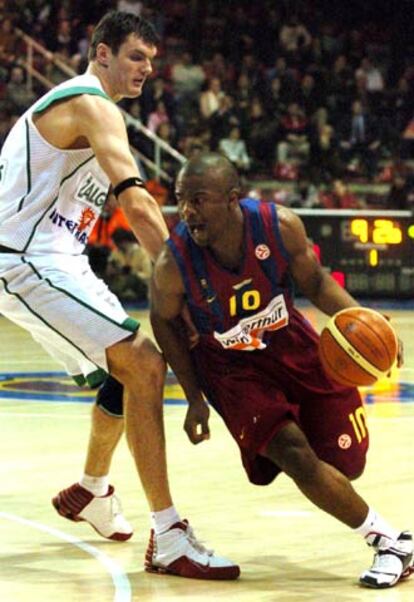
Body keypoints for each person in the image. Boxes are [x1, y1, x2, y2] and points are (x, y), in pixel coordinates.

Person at [0, 12, 239, 580]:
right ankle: (171, 534)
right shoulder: (91, 104)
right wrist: (188, 284)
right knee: (146, 365)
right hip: (27, 260)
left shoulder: (79, 108)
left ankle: (94, 490)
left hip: (56, 260)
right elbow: (136, 203)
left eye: (152, 61)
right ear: (101, 53)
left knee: (120, 376)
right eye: (136, 56)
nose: (147, 69)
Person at [149, 152, 413, 589]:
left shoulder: (278, 226)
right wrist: (195, 397)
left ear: (232, 200)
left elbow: (316, 283)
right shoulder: (173, 262)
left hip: (290, 343)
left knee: (344, 464)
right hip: (231, 368)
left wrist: (367, 317)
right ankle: (392, 542)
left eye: (199, 199)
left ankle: (362, 515)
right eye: (182, 200)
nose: (188, 211)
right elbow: (163, 320)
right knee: (295, 456)